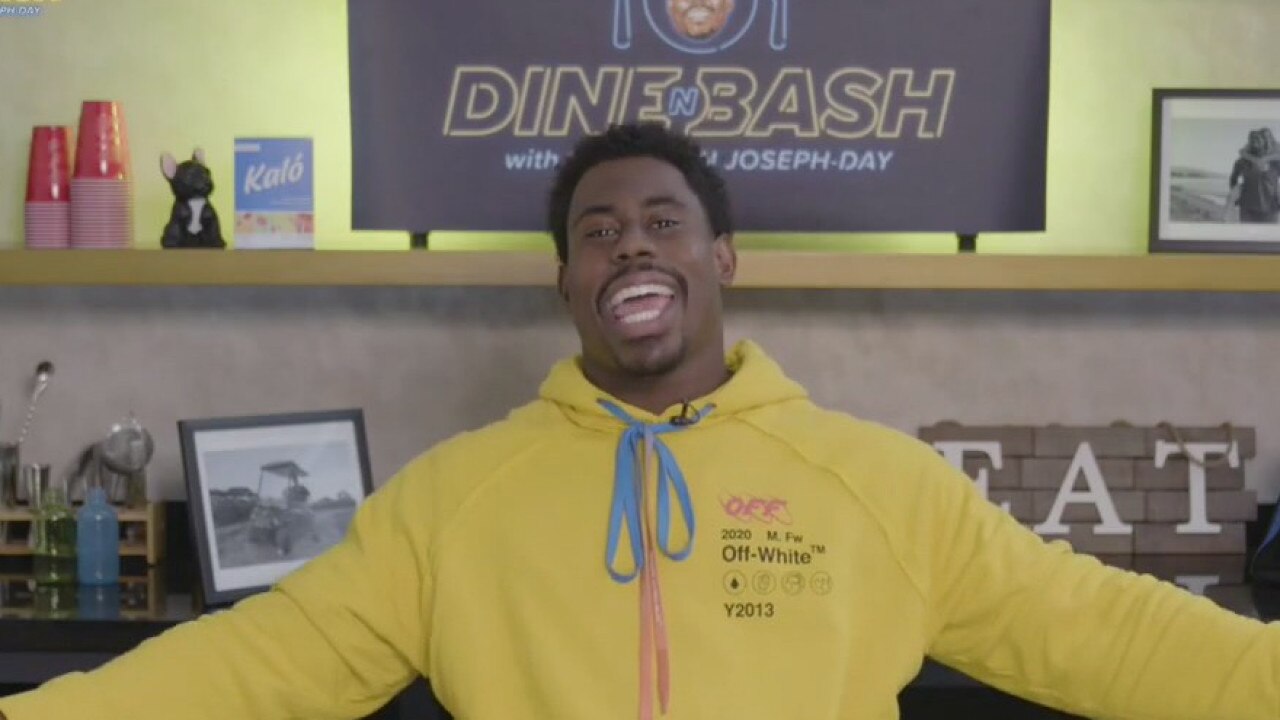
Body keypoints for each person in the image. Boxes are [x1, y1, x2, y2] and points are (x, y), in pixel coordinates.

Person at [4, 123, 1280, 720]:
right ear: (565, 281)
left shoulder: (873, 483)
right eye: (597, 231)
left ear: (722, 258)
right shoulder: (454, 500)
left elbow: (1095, 627)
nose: (629, 245)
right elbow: (262, 663)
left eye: (662, 221)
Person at [1225, 128, 1280, 223]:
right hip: (1247, 208)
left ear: (1265, 142)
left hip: (1271, 209)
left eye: (1258, 139)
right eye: (1252, 139)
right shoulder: (1241, 162)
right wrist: (1235, 196)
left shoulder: (1275, 163)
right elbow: (1233, 178)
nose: (1255, 142)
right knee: (1247, 232)